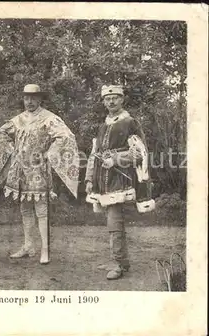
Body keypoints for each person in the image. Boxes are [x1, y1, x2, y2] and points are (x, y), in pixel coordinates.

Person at [0, 84, 80, 264]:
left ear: (40, 99)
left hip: (38, 169)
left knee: (41, 209)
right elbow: (1, 132)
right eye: (26, 98)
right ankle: (28, 245)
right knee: (24, 208)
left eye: (33, 98)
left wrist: (50, 153)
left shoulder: (49, 118)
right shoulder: (19, 119)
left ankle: (45, 250)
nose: (29, 101)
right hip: (20, 170)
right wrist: (12, 151)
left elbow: (65, 136)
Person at [85, 85, 155, 280]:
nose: (111, 102)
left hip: (121, 179)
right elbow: (94, 154)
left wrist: (116, 159)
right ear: (103, 102)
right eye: (107, 99)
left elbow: (140, 153)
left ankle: (117, 263)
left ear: (122, 99)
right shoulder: (102, 126)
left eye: (115, 98)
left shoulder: (130, 123)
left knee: (114, 220)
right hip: (102, 180)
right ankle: (122, 261)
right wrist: (89, 178)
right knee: (113, 220)